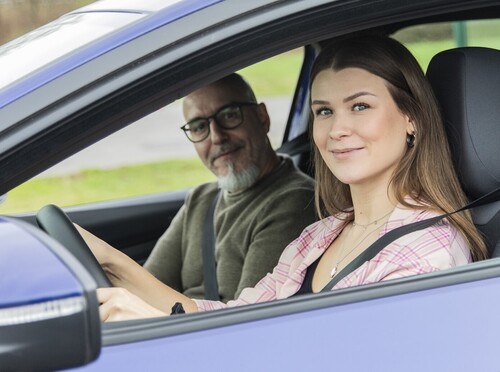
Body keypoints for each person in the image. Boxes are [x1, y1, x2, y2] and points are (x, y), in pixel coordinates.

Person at [79, 33, 488, 321]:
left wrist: (153, 323)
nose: (337, 129)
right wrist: (110, 260)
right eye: (324, 111)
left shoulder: (426, 253)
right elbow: (239, 319)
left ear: (411, 117)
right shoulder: (321, 235)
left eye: (360, 106)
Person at [103, 73, 317, 303]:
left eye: (229, 115)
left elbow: (247, 320)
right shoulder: (201, 199)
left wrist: (108, 257)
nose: (216, 136)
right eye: (198, 127)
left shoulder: (294, 201)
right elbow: (144, 284)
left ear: (262, 118)